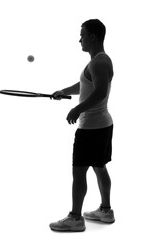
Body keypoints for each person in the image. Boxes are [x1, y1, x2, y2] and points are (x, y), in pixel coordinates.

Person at [49, 19, 115, 232]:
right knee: (99, 167)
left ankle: (75, 218)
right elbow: (85, 85)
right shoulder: (98, 61)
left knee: (79, 172)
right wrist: (63, 91)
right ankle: (105, 211)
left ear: (93, 37)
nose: (80, 40)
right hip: (101, 126)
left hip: (92, 128)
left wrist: (77, 110)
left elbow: (100, 92)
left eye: (82, 35)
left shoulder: (99, 62)